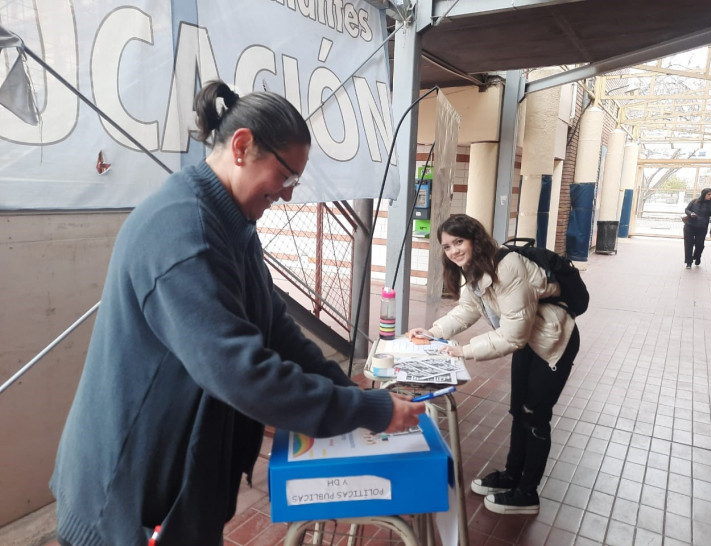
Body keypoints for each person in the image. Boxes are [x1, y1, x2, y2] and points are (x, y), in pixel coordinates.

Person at [50, 81, 425, 546]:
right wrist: (366, 409)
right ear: (243, 146)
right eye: (286, 177)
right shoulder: (183, 228)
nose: (288, 195)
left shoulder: (234, 225)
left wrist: (350, 393)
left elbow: (278, 332)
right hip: (125, 496)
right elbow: (243, 373)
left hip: (177, 485)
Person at [408, 214, 580, 515]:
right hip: (529, 339)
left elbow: (512, 336)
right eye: (447, 247)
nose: (454, 251)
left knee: (535, 416)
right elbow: (466, 310)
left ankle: (527, 494)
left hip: (553, 342)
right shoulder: (474, 268)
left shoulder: (508, 266)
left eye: (458, 242)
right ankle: (512, 475)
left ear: (475, 238)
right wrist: (434, 333)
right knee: (518, 411)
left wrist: (463, 351)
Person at [684, 187, 711, 268]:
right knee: (688, 244)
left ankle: (697, 256)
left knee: (700, 245)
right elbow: (686, 210)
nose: (710, 196)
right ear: (703, 194)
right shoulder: (694, 201)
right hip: (689, 226)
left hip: (702, 228)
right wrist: (691, 213)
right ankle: (689, 262)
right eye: (708, 194)